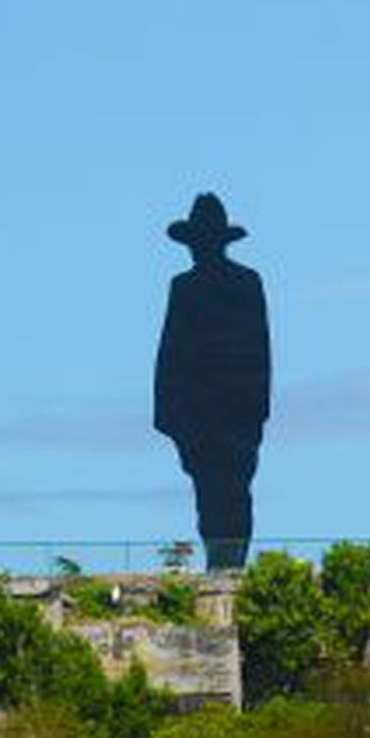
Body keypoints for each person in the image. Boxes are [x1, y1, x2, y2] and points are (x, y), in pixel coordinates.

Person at [154, 193, 270, 571]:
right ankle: (221, 561)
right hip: (199, 412)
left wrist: (255, 409)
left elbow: (259, 349)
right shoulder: (183, 288)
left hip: (234, 410)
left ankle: (229, 561)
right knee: (210, 492)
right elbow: (170, 350)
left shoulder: (246, 284)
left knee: (232, 491)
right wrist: (170, 413)